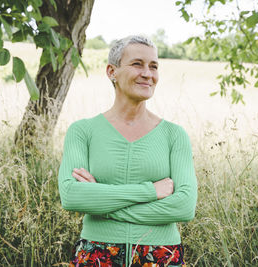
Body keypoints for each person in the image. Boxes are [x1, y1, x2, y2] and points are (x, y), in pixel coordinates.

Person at [58, 35, 198, 267]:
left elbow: (184, 206)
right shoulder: (82, 131)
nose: (147, 73)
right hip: (97, 252)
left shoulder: (174, 135)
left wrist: (100, 201)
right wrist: (151, 190)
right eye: (137, 64)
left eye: (153, 66)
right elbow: (72, 196)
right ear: (111, 71)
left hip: (161, 254)